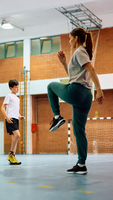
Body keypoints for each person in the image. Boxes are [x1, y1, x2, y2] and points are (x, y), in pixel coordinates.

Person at [47, 27, 104, 174]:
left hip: (77, 92)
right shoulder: (80, 53)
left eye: (70, 38)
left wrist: (100, 90)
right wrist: (64, 63)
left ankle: (57, 116)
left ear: (76, 38)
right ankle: (81, 165)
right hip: (85, 96)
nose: (69, 40)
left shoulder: (79, 51)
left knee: (50, 86)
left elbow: (92, 70)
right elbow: (73, 77)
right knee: (79, 131)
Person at [1, 79, 25, 165]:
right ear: (11, 88)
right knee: (17, 135)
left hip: (16, 118)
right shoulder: (9, 96)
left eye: (18, 87)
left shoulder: (17, 98)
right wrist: (6, 117)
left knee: (13, 138)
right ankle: (10, 154)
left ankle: (12, 158)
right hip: (10, 119)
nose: (17, 89)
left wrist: (20, 116)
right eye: (15, 87)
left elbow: (15, 110)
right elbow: (2, 107)